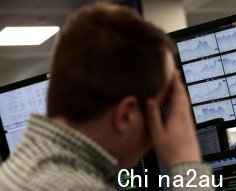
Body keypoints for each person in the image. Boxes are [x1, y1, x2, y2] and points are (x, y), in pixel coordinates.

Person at [0, 3, 214, 191]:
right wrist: (187, 162)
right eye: (161, 110)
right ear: (126, 114)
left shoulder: (20, 169)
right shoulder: (78, 186)